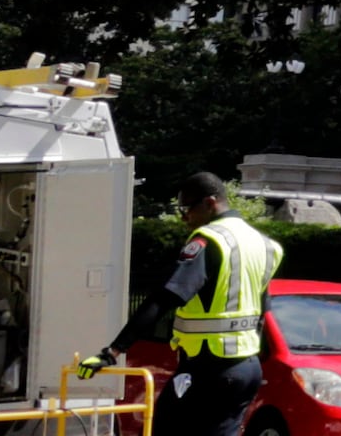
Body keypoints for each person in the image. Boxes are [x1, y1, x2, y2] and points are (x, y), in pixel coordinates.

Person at [115, 172, 283, 436]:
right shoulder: (265, 245)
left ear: (210, 203)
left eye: (187, 208)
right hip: (246, 369)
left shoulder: (209, 239)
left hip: (209, 366)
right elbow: (263, 311)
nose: (184, 217)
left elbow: (165, 298)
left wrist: (114, 350)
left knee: (166, 428)